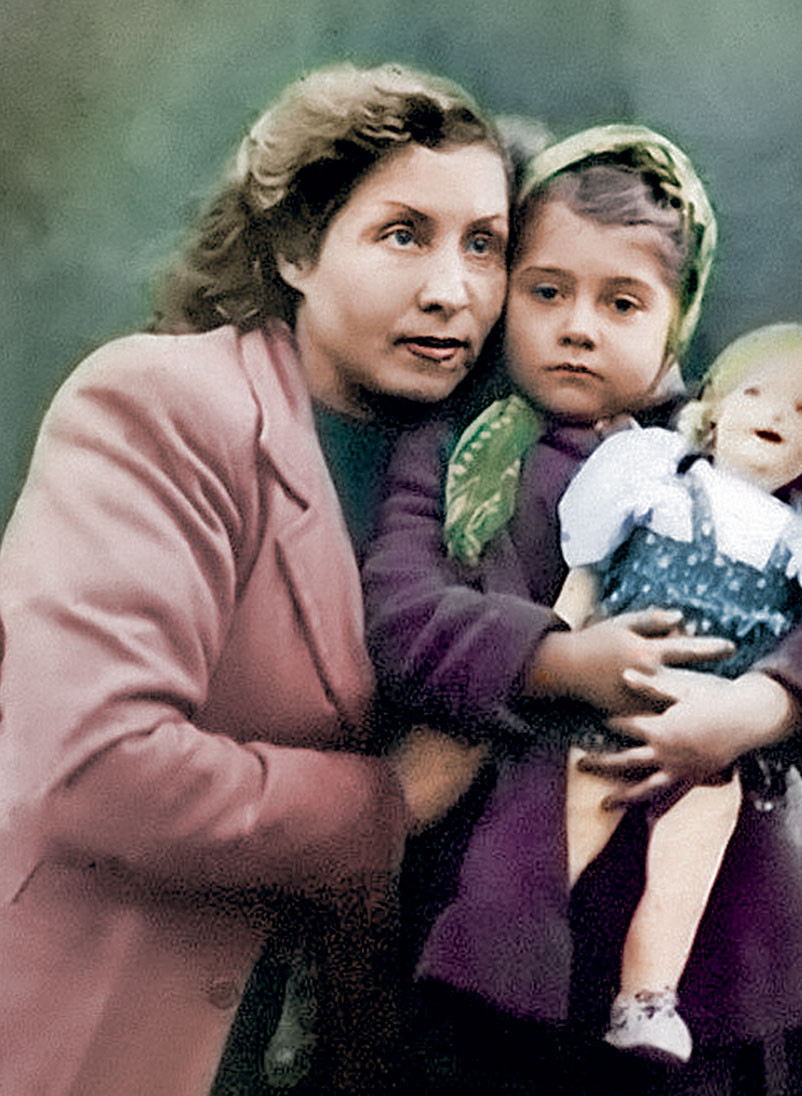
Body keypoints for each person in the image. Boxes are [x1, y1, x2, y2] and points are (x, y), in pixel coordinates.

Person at [0, 60, 511, 1096]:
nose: (452, 290)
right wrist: (389, 803)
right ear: (294, 248)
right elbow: (94, 767)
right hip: (128, 1036)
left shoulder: (481, 464)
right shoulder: (159, 405)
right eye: (403, 234)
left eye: (484, 245)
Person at [363, 126, 802, 1093]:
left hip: (700, 895)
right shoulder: (457, 452)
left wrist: (756, 708)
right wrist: (562, 661)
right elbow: (405, 617)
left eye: (622, 303)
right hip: (515, 865)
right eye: (546, 292)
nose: (578, 328)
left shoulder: (728, 466)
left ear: (677, 328)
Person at [555, 319, 802, 1066]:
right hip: (621, 694)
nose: (776, 414)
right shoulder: (657, 483)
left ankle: (647, 994)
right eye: (757, 392)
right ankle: (523, 948)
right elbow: (583, 572)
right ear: (714, 407)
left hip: (715, 727)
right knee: (571, 825)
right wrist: (560, 645)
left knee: (697, 837)